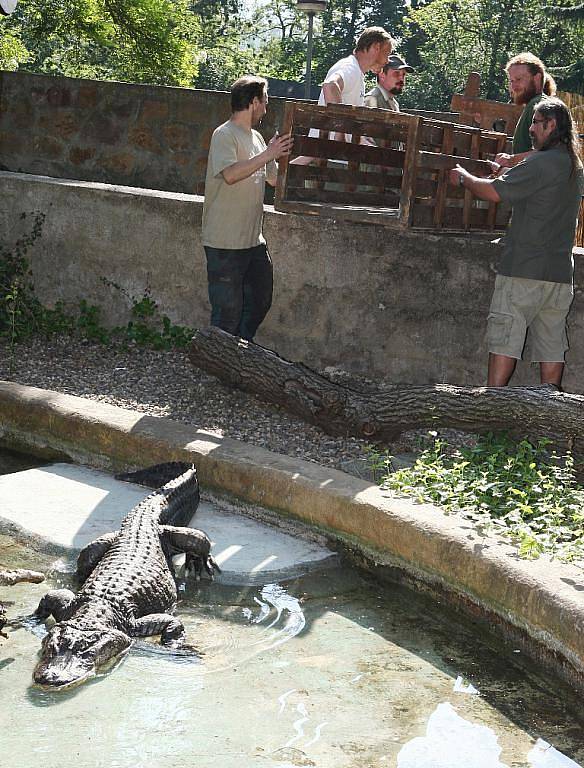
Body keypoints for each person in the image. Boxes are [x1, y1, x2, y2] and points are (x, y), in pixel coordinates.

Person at [448, 98, 584, 389]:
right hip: (560, 274)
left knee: (504, 339)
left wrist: (464, 179)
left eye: (536, 122)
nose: (531, 128)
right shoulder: (574, 166)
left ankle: (493, 415)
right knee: (551, 346)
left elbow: (495, 193)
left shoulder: (540, 163)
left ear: (551, 125)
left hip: (523, 269)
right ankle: (550, 416)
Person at [201, 76, 293, 342]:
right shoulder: (224, 134)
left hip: (253, 241)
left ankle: (238, 357)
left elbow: (274, 179)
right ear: (254, 102)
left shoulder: (257, 138)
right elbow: (230, 174)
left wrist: (290, 153)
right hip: (224, 242)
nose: (266, 107)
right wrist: (267, 154)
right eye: (265, 101)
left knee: (260, 301)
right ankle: (219, 365)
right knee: (227, 313)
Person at [495, 52, 557, 169]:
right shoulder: (534, 105)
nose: (513, 86)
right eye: (511, 81)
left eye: (518, 79)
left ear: (537, 78)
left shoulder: (540, 105)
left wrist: (511, 160)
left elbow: (551, 152)